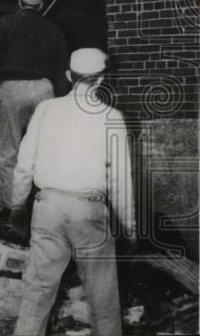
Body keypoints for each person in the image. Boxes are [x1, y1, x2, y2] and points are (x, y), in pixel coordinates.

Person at [10, 48, 136, 336]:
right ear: (102, 80)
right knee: (103, 299)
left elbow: (24, 163)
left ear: (69, 76)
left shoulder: (46, 109)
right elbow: (120, 181)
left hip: (47, 208)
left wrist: (17, 205)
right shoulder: (112, 118)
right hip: (88, 210)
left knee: (37, 294)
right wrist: (130, 228)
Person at [0, 0, 67, 217]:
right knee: (45, 150)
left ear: (19, 1)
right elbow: (62, 68)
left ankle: (10, 207)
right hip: (43, 91)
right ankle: (45, 206)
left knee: (9, 151)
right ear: (42, 4)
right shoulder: (54, 29)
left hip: (13, 88)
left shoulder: (5, 24)